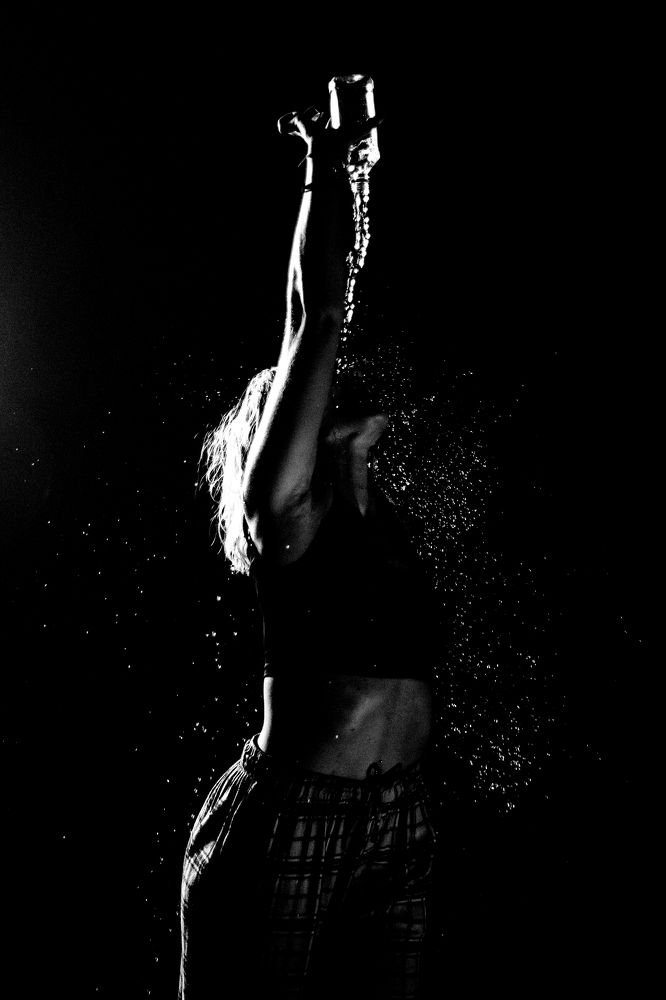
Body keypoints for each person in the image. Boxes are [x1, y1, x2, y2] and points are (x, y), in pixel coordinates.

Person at [179, 99, 440, 999]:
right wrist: (325, 169)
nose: (343, 373)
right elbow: (318, 314)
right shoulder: (283, 508)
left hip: (401, 819)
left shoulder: (383, 521)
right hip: (296, 815)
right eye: (318, 389)